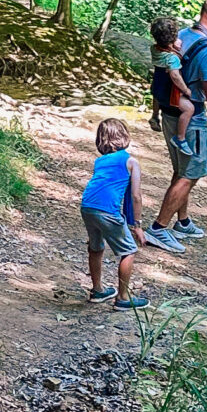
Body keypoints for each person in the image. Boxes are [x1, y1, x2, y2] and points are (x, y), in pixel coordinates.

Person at [149, 0, 207, 246]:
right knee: (190, 174)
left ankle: (182, 221)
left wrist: (155, 113)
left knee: (181, 170)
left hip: (169, 112)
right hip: (191, 118)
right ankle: (158, 228)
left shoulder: (182, 35)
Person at [80, 115, 148, 309]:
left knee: (96, 247)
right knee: (129, 251)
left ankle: (97, 290)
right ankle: (123, 298)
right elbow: (136, 196)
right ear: (124, 136)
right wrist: (137, 225)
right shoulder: (131, 162)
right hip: (107, 211)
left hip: (87, 206)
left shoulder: (100, 161)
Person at [148, 15, 192, 134]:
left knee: (156, 97)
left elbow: (163, 48)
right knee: (189, 109)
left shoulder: (154, 49)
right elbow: (175, 76)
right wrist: (186, 90)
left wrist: (172, 45)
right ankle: (181, 136)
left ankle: (155, 116)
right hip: (168, 92)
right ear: (174, 37)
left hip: (157, 85)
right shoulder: (172, 59)